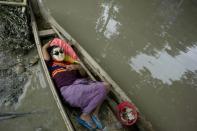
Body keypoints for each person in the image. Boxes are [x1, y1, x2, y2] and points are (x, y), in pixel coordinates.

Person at [42, 38, 111, 130]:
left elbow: (83, 74)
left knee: (107, 87)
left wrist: (76, 67)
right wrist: (48, 44)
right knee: (104, 86)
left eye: (61, 52)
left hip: (80, 86)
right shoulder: (51, 64)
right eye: (57, 53)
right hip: (69, 91)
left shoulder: (69, 62)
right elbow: (44, 50)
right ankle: (85, 115)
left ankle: (95, 113)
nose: (60, 54)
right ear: (52, 56)